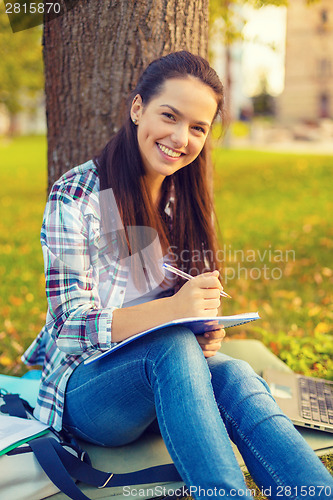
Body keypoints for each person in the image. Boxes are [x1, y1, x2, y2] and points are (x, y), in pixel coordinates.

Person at [22, 51, 333, 499]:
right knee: (169, 345)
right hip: (86, 393)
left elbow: (177, 307)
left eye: (198, 128)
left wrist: (201, 327)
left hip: (168, 376)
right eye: (169, 115)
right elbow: (69, 327)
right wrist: (173, 315)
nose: (180, 137)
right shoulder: (78, 195)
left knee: (238, 375)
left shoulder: (179, 197)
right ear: (137, 108)